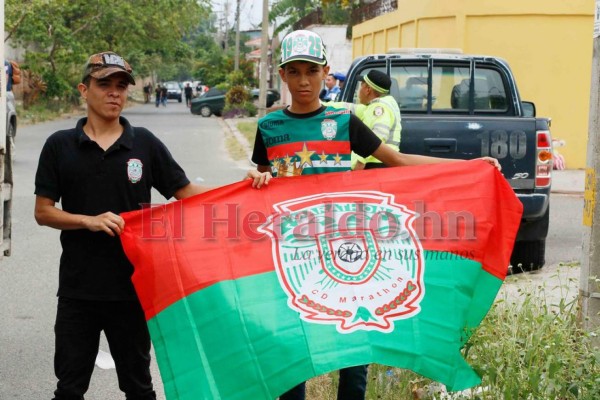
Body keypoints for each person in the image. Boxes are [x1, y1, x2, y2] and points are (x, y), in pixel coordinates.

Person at [248, 29, 500, 400]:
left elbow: (396, 161)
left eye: (312, 71)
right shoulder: (268, 128)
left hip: (347, 249)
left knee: (355, 350)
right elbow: (257, 177)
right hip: (294, 252)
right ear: (282, 74)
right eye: (295, 71)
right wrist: (257, 176)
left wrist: (467, 166)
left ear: (326, 72)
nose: (304, 80)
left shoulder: (345, 122)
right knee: (295, 350)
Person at [33, 51, 217, 400]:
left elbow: (186, 192)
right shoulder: (59, 146)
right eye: (105, 84)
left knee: (138, 386)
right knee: (69, 388)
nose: (115, 93)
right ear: (84, 90)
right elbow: (43, 212)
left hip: (132, 289)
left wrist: (246, 185)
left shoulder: (144, 143)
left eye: (121, 86)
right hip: (77, 291)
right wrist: (88, 220)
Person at [335, 70, 402, 170]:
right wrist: (321, 104)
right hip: (378, 161)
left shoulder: (379, 109)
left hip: (376, 163)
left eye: (361, 85)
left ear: (367, 90)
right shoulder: (372, 107)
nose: (359, 90)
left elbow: (378, 135)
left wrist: (361, 160)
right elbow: (347, 107)